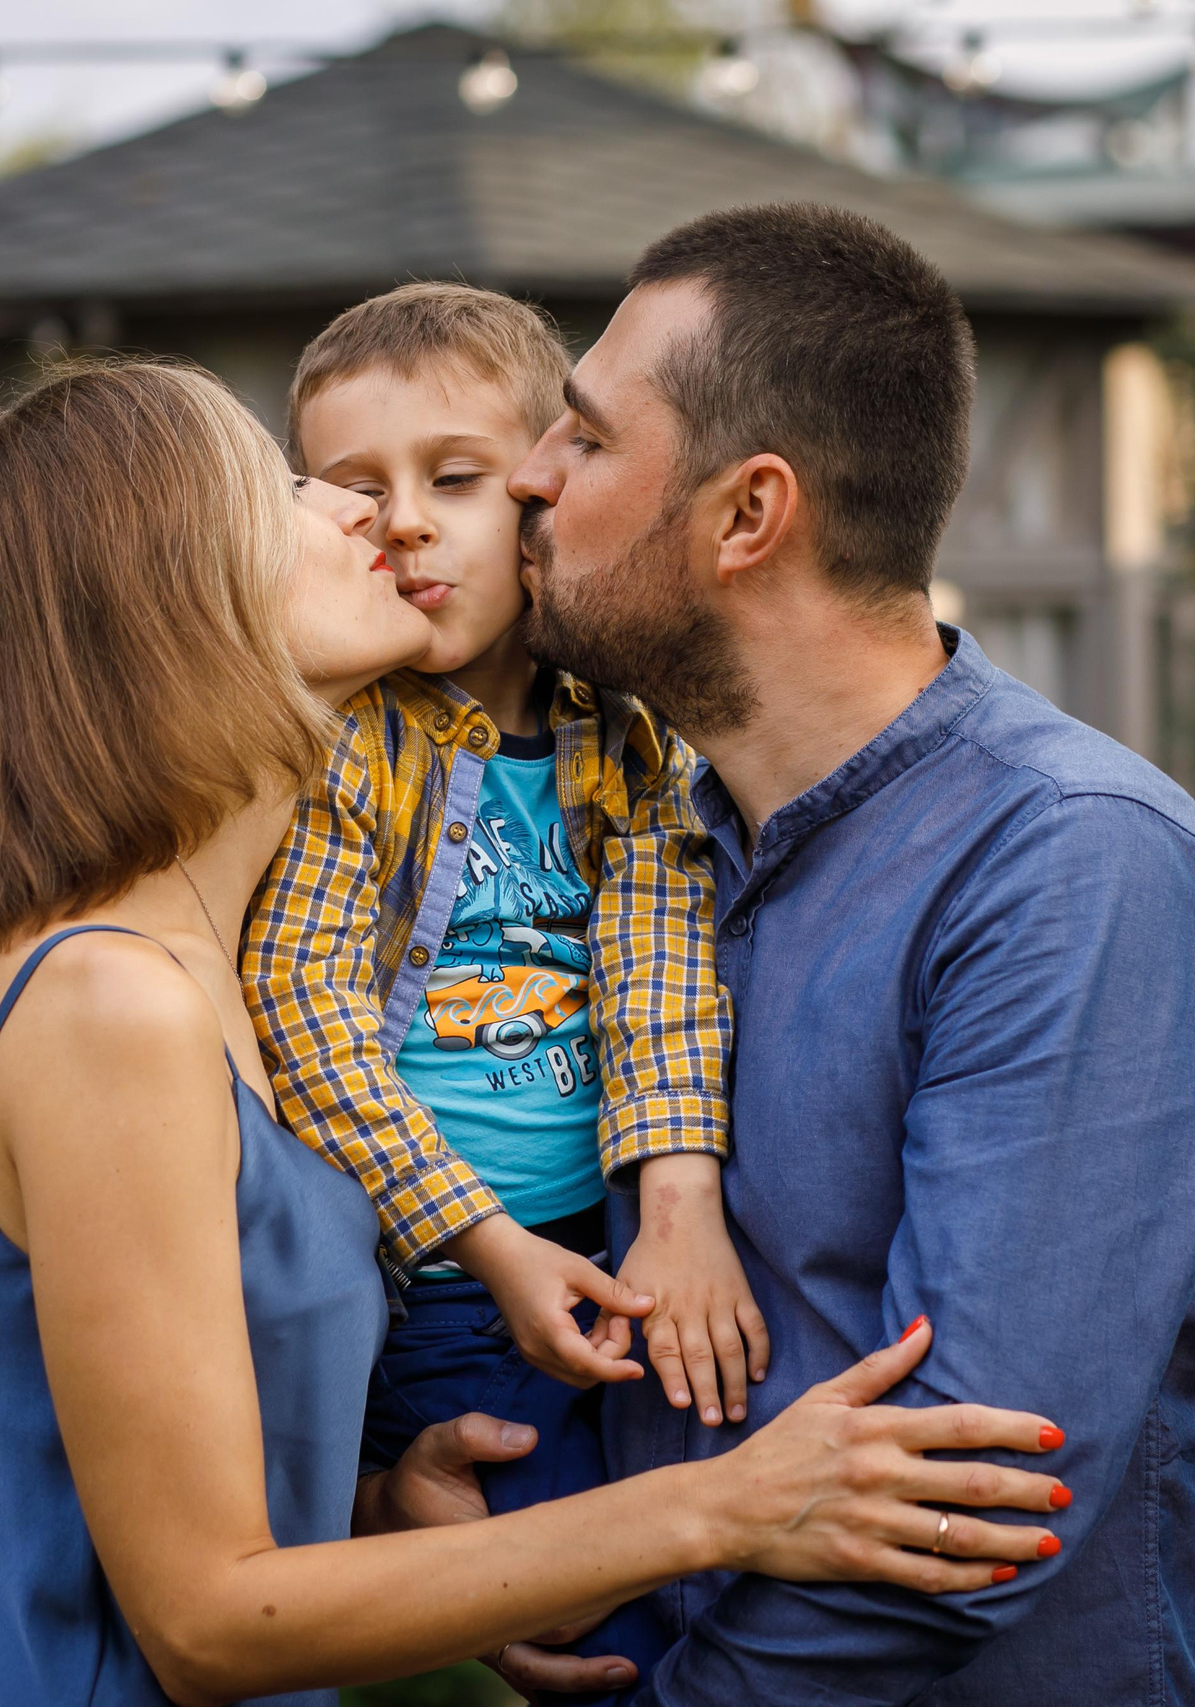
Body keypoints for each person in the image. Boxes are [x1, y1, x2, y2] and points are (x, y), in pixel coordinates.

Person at [0, 358, 1075, 1707]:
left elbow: (161, 1502)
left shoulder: (203, 973)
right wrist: (726, 1504)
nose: (363, 513)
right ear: (163, 602)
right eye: (285, 492)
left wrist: (394, 1516)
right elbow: (203, 1622)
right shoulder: (109, 1002)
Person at [502, 204, 1195, 1704]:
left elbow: (965, 1510)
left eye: (587, 437)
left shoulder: (1072, 867)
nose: (527, 475)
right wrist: (476, 1516)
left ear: (748, 515)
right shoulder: (647, 864)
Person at [246, 285, 766, 1503]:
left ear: (540, 491)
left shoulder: (625, 735)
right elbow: (303, 1009)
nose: (405, 523)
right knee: (568, 1555)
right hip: (433, 1280)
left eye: (454, 479)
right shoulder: (344, 741)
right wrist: (490, 1247)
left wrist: (682, 1202)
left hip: (606, 1243)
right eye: (358, 491)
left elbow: (659, 976)